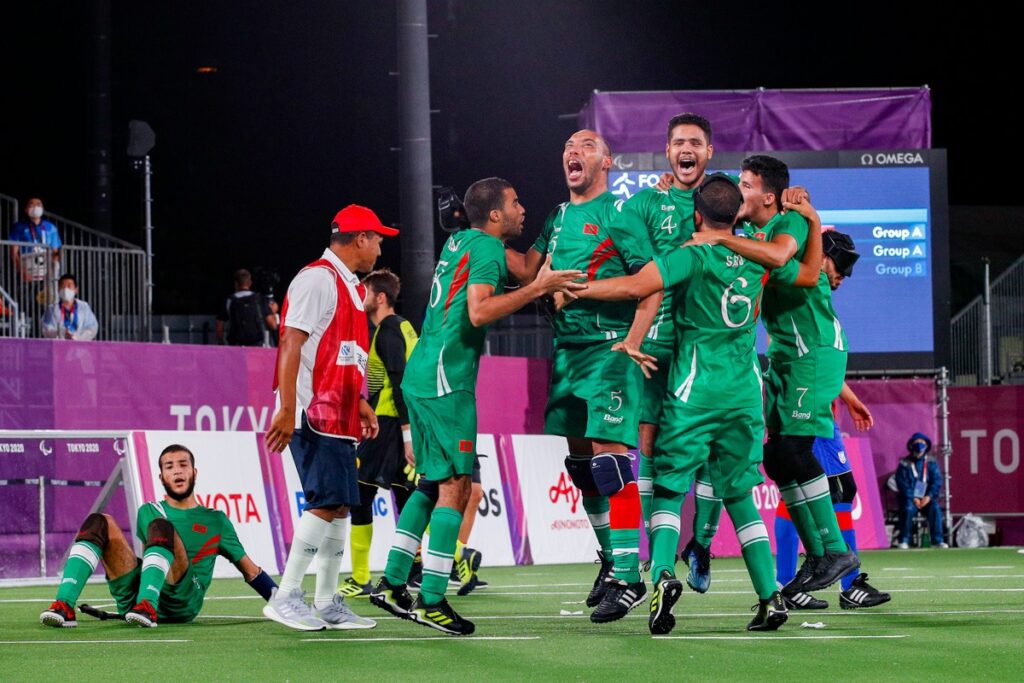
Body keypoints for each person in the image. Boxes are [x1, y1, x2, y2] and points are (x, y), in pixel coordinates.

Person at [573, 174, 822, 633]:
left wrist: (577, 290)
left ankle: (663, 575)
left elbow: (635, 286)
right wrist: (812, 221)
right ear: (734, 215)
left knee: (668, 488)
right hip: (745, 394)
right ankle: (770, 597)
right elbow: (809, 275)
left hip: (693, 391)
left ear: (696, 214)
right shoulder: (758, 255)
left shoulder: (690, 255)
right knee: (740, 496)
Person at [370, 177, 584, 636]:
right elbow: (480, 312)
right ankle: (431, 599)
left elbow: (527, 270)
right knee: (456, 487)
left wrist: (551, 234)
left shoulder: (464, 240)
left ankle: (391, 581)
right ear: (494, 215)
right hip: (448, 381)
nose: (522, 208)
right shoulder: (485, 249)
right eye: (515, 203)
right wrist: (537, 290)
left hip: (424, 374)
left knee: (432, 483)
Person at [505, 129, 658, 623]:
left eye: (587, 145)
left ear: (608, 162)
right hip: (567, 353)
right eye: (569, 145)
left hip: (609, 350)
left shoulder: (621, 213)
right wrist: (477, 235)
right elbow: (529, 273)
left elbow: (647, 282)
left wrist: (595, 302)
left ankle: (631, 576)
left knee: (610, 463)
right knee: (581, 467)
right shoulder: (558, 216)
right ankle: (610, 559)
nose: (574, 151)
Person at [689, 156, 860, 594]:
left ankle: (835, 552)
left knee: (797, 451)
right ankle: (819, 554)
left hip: (812, 351)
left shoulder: (793, 222)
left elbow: (784, 258)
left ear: (768, 195)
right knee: (779, 456)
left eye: (745, 185)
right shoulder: (754, 235)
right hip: (785, 356)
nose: (738, 191)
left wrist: (718, 239)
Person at [263, 204, 398, 631]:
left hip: (338, 414)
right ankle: (285, 596)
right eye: (377, 237)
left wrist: (359, 402)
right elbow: (290, 343)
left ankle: (327, 601)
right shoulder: (317, 279)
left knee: (340, 505)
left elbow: (346, 357)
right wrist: (288, 408)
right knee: (325, 502)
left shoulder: (352, 289)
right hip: (311, 413)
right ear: (359, 238)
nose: (379, 246)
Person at [609, 113, 720, 568]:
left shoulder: (725, 201)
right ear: (668, 151)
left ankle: (702, 544)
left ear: (709, 152)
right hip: (657, 345)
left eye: (695, 141)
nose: (686, 149)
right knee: (649, 444)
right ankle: (658, 559)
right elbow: (610, 239)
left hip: (710, 345)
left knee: (714, 448)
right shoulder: (644, 203)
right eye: (678, 142)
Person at [39, 444, 305, 629]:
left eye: (182, 465)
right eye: (169, 467)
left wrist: (284, 603)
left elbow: (250, 570)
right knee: (98, 521)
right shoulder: (149, 511)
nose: (177, 471)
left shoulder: (216, 520)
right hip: (135, 596)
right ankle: (64, 604)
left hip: (182, 600)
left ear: (194, 472)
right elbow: (155, 538)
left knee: (161, 528)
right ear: (161, 476)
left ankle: (147, 606)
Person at [338, 268, 419, 599]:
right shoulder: (405, 327)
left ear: (380, 297)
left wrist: (406, 433)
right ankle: (417, 567)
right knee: (407, 497)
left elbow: (398, 381)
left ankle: (359, 577)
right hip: (402, 421)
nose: (362, 296)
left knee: (360, 494)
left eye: (366, 291)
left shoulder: (386, 330)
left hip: (388, 424)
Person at [896, 432, 946, 548]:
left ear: (926, 446)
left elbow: (937, 481)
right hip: (911, 499)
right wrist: (913, 498)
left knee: (935, 508)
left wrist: (929, 496)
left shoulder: (931, 463)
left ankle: (937, 541)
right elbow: (902, 484)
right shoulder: (904, 463)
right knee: (907, 509)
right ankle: (904, 540)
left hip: (927, 499)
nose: (919, 445)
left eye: (922, 443)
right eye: (917, 443)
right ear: (911, 445)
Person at [216, 268, 277, 346]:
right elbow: (272, 324)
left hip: (236, 346)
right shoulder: (259, 299)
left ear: (236, 283)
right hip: (257, 345)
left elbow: (219, 328)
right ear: (250, 283)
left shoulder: (229, 301)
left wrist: (221, 343)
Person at [9, 197, 61, 282]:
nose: (35, 207)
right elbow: (14, 253)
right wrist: (22, 271)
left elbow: (55, 252)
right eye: (31, 204)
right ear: (26, 209)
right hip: (27, 272)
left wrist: (53, 272)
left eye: (38, 204)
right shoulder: (19, 227)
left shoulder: (51, 227)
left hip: (47, 274)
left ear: (43, 209)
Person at [41, 273, 99, 341]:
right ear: (58, 289)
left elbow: (92, 328)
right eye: (63, 286)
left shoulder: (84, 307)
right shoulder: (52, 309)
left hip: (81, 346)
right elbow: (46, 329)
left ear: (76, 290)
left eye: (69, 286)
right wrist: (62, 333)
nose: (65, 289)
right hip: (59, 346)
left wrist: (77, 338)